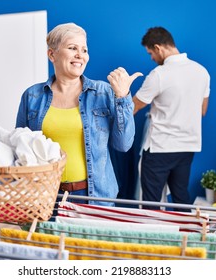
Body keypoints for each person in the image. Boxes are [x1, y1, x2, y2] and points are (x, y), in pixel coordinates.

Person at [15, 22, 142, 206]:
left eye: (84, 50)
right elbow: (20, 148)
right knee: (45, 237)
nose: (79, 55)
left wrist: (122, 98)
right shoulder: (32, 96)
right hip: (45, 196)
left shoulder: (103, 92)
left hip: (94, 198)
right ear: (52, 54)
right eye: (72, 48)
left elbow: (123, 145)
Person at [133, 26, 210, 211]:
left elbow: (132, 107)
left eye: (151, 53)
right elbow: (202, 111)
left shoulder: (159, 74)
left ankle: (153, 239)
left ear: (158, 48)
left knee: (151, 203)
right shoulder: (202, 72)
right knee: (181, 197)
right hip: (187, 147)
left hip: (160, 147)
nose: (152, 58)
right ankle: (184, 238)